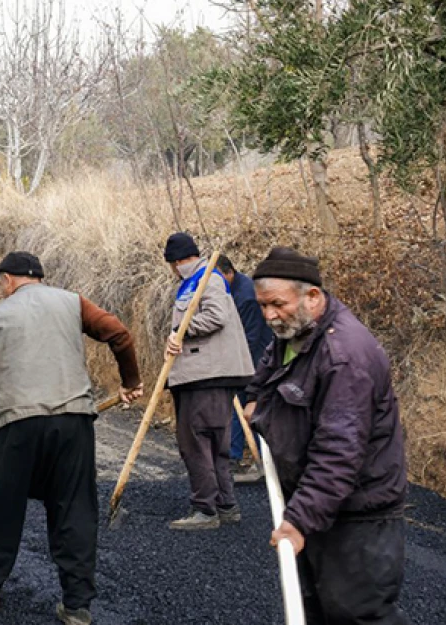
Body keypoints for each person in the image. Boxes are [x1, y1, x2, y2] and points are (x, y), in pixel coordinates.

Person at [0, 251, 143, 625]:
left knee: (4, 506)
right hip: (72, 422)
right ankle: (77, 605)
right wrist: (130, 381)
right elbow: (119, 333)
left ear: (8, 280)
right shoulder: (72, 302)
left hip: (14, 425)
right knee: (74, 509)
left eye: (1, 282)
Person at [245, 247, 409, 625]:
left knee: (358, 615)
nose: (269, 315)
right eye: (262, 306)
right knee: (315, 610)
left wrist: (299, 520)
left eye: (277, 304)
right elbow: (269, 366)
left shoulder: (344, 356)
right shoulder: (296, 332)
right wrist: (255, 398)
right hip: (317, 503)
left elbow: (338, 451)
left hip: (356, 516)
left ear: (312, 296)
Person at [162, 233, 254, 530]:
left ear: (176, 262)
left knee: (197, 441)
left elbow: (216, 315)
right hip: (206, 373)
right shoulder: (201, 279)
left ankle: (205, 510)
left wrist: (181, 330)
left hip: (205, 374)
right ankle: (225, 504)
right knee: (214, 441)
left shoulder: (207, 279)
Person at [217, 255, 272, 483]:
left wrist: (235, 363)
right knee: (236, 405)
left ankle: (263, 463)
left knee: (254, 408)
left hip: (255, 359)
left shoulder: (246, 296)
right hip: (242, 359)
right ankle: (234, 455)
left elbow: (250, 337)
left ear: (229, 272)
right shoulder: (230, 289)